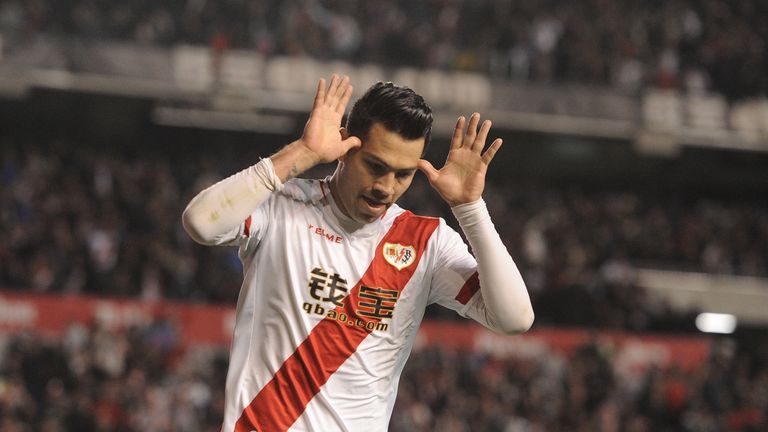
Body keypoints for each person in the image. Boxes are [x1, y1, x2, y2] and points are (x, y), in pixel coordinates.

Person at [182, 75, 534, 432]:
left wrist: (470, 208)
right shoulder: (282, 206)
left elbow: (514, 318)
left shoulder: (426, 243)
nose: (386, 187)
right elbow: (200, 222)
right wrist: (301, 153)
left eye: (403, 174)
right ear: (346, 147)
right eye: (376, 167)